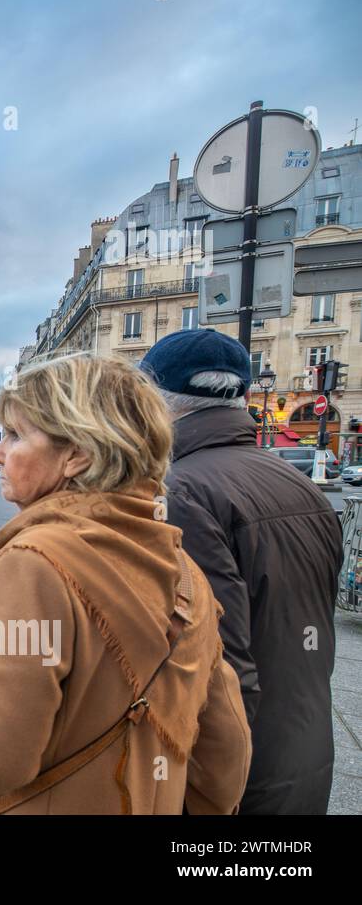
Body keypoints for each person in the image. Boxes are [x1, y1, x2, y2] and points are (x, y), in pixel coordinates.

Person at [0, 353, 250, 814]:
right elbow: (224, 752)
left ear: (77, 454)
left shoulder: (35, 564)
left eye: (15, 435)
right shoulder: (183, 569)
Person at [141, 329, 342, 814]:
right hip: (303, 744)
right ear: (245, 396)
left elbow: (218, 660)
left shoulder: (181, 491)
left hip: (239, 772)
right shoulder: (298, 482)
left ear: (151, 399)